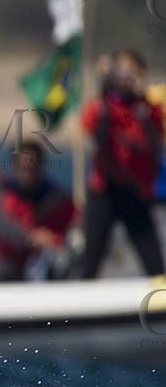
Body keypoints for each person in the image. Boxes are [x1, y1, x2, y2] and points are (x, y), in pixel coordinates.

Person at [74, 49, 165, 278]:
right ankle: (77, 305)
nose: (128, 78)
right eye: (124, 72)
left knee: (154, 262)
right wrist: (104, 90)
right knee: (91, 259)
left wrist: (142, 105)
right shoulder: (103, 106)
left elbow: (156, 139)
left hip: (135, 192)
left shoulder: (147, 110)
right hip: (104, 191)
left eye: (134, 72)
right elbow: (93, 133)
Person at [0, 141, 76, 282]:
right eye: (25, 167)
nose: (29, 173)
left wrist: (55, 239)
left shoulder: (57, 199)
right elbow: (4, 226)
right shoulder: (2, 200)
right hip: (12, 263)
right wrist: (30, 238)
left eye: (34, 167)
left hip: (51, 261)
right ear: (15, 166)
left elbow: (76, 220)